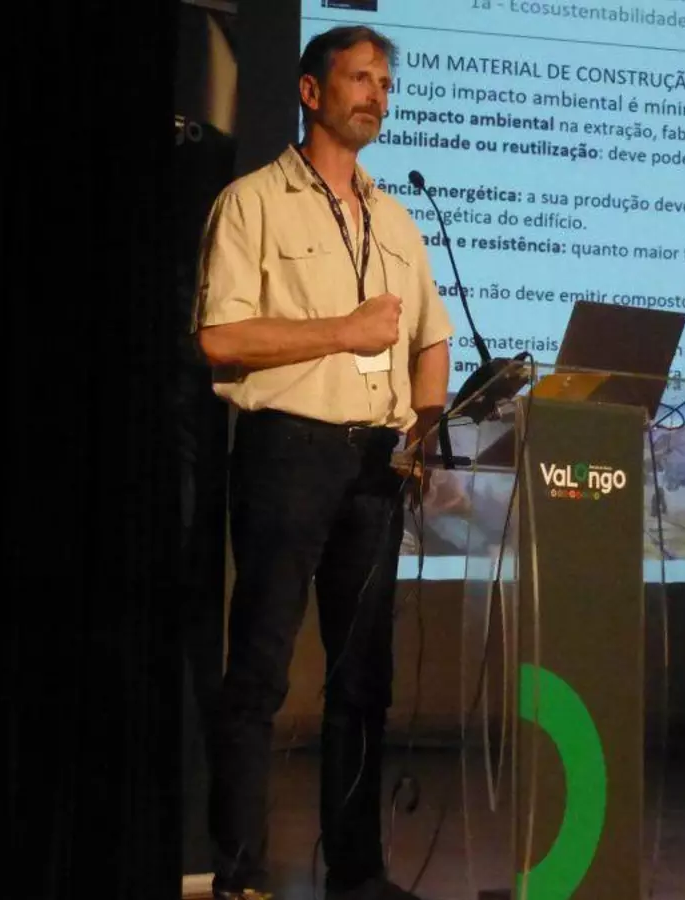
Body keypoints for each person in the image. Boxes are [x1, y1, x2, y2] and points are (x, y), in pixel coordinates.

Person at [191, 25, 453, 900]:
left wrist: (425, 426)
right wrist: (342, 332)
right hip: (288, 452)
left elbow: (431, 338)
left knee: (363, 681)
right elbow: (220, 338)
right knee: (261, 671)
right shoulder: (252, 203)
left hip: (376, 466)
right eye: (360, 77)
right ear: (311, 92)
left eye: (385, 82)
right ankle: (240, 873)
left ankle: (358, 872)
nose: (377, 94)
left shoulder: (398, 218)